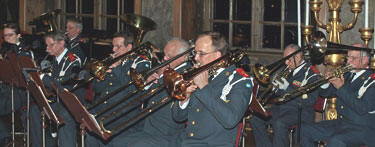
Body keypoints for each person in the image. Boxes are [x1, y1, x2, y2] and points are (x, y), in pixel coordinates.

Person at [172, 31, 253, 146]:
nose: (196, 58)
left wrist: (204, 87)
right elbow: (178, 117)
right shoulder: (202, 74)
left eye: (201, 53)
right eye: (195, 53)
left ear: (217, 55)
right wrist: (185, 98)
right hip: (187, 142)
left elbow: (230, 120)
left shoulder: (239, 80)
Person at [109, 38, 192, 147]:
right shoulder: (168, 70)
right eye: (165, 54)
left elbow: (180, 113)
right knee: (114, 140)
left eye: (169, 56)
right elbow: (144, 99)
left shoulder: (186, 74)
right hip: (146, 127)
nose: (164, 59)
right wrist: (148, 84)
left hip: (165, 134)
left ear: (183, 57)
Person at [301, 44, 375, 147]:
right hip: (343, 123)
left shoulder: (372, 80)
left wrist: (341, 87)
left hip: (364, 129)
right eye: (348, 57)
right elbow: (325, 94)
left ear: (365, 60)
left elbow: (362, 108)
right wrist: (326, 82)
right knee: (304, 130)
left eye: (353, 58)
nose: (348, 61)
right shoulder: (347, 74)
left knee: (336, 141)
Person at [85, 32, 151, 147]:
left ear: (129, 47)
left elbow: (133, 88)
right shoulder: (112, 62)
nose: (114, 49)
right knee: (89, 135)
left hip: (123, 114)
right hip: (103, 110)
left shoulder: (140, 62)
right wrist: (102, 75)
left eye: (118, 46)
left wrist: (116, 68)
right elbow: (97, 89)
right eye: (113, 46)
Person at [249, 44, 321, 147]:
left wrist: (287, 88)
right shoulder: (287, 70)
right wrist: (275, 88)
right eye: (285, 59)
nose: (286, 63)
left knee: (279, 123)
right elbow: (280, 95)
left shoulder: (311, 73)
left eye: (289, 60)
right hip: (283, 109)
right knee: (255, 119)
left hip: (301, 112)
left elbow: (309, 100)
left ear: (298, 57)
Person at [27, 31, 82, 147]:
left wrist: (43, 77)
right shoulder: (55, 60)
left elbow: (65, 85)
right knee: (34, 110)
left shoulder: (73, 60)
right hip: (57, 99)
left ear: (62, 43)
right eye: (46, 45)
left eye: (51, 45)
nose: (47, 49)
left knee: (64, 115)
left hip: (70, 102)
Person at [0, 23, 34, 146]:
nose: (7, 39)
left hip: (20, 92)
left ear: (18, 36)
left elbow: (25, 76)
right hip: (6, 89)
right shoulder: (5, 50)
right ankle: (4, 136)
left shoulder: (25, 52)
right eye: (5, 36)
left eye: (10, 35)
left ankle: (4, 138)